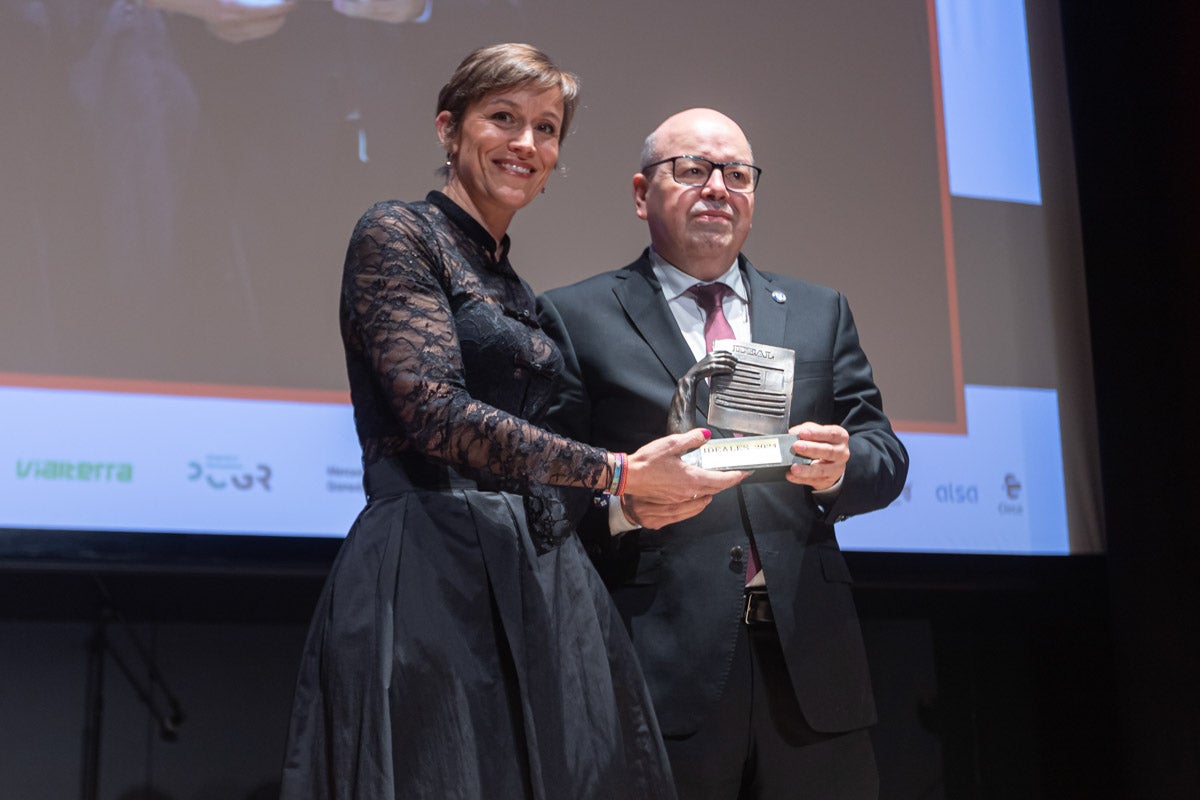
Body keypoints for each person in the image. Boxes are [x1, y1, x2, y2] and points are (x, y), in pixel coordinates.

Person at [279, 48, 744, 800]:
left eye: (547, 128)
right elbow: (437, 416)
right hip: (430, 566)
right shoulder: (398, 234)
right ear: (448, 129)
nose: (526, 144)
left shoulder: (516, 286)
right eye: (504, 118)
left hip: (538, 574)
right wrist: (620, 470)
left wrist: (634, 498)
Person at [537, 108, 910, 799]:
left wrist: (841, 467)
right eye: (692, 169)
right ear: (641, 194)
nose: (717, 187)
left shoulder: (816, 310)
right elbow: (546, 493)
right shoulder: (574, 316)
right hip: (659, 661)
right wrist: (629, 504)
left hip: (811, 667)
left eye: (737, 174)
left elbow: (884, 455)